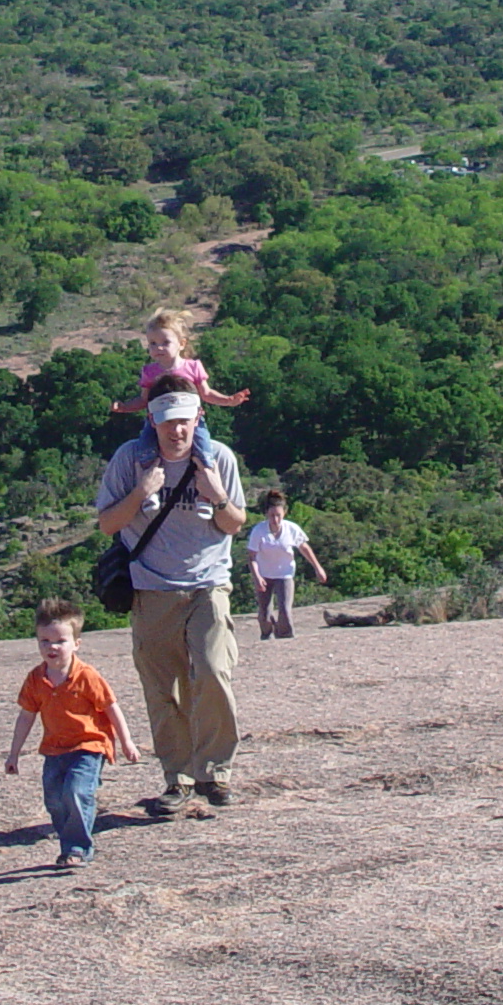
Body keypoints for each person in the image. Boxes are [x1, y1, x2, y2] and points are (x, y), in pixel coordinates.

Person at [94, 375, 248, 815]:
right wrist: (142, 492)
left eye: (183, 421)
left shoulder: (218, 458)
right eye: (166, 422)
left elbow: (235, 523)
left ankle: (215, 773)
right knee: (164, 691)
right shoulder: (130, 460)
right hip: (151, 589)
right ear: (152, 420)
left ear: (197, 417)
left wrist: (217, 498)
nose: (176, 431)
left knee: (215, 673)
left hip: (207, 586)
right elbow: (107, 524)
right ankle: (177, 779)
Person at [4, 598, 139, 870]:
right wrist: (14, 753)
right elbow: (26, 716)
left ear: (76, 643)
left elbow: (111, 707)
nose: (52, 647)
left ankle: (77, 848)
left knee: (76, 792)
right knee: (54, 798)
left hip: (89, 747)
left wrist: (126, 742)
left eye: (60, 641)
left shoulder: (86, 676)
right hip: (55, 749)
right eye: (44, 641)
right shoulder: (35, 679)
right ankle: (70, 840)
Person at [110, 308, 249, 466]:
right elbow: (144, 400)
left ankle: (206, 474)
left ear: (181, 344)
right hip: (158, 419)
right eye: (153, 343)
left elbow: (206, 393)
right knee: (145, 451)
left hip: (190, 421)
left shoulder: (192, 367)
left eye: (165, 343)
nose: (159, 348)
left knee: (205, 452)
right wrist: (124, 407)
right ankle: (150, 476)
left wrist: (228, 400)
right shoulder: (149, 371)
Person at [245, 489, 327, 640]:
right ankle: (267, 635)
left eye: (278, 515)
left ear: (285, 513)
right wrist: (256, 577)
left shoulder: (291, 529)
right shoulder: (259, 531)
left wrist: (318, 567)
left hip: (285, 574)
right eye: (272, 516)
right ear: (266, 514)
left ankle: (285, 636)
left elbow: (304, 548)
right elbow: (252, 556)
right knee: (265, 613)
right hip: (264, 574)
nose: (275, 519)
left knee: (285, 610)